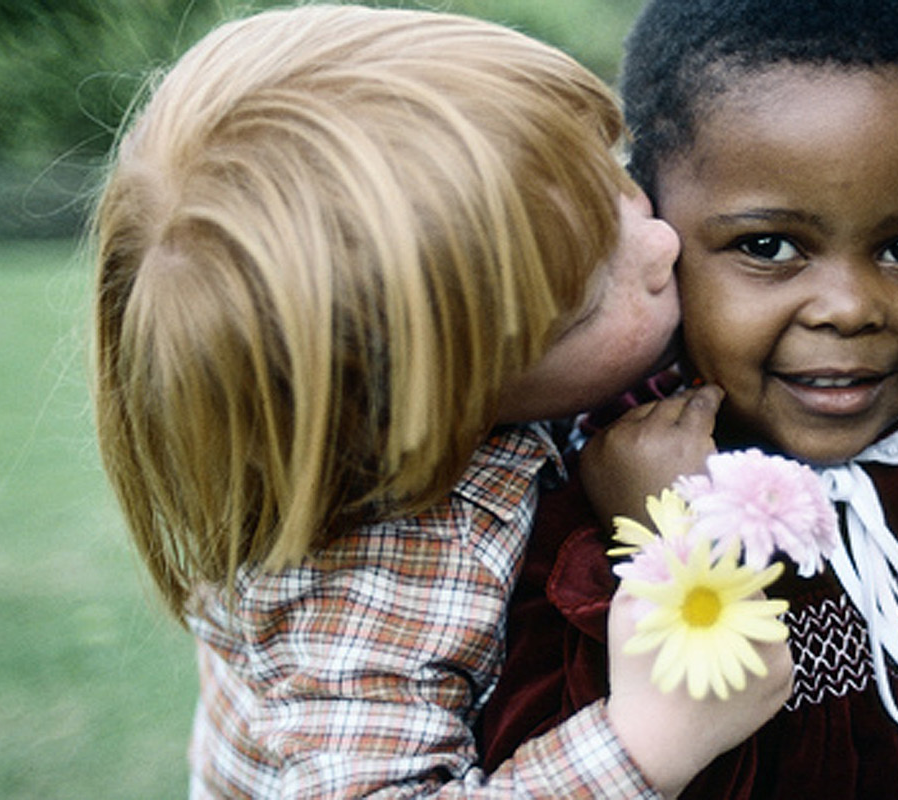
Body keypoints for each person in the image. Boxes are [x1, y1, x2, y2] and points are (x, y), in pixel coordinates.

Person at [89, 5, 790, 797]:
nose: (662, 242)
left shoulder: (508, 391)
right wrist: (646, 740)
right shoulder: (368, 573)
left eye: (615, 177)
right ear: (428, 409)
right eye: (587, 300)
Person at [479, 0, 898, 796]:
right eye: (767, 247)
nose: (848, 307)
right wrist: (659, 550)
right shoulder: (594, 487)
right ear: (658, 231)